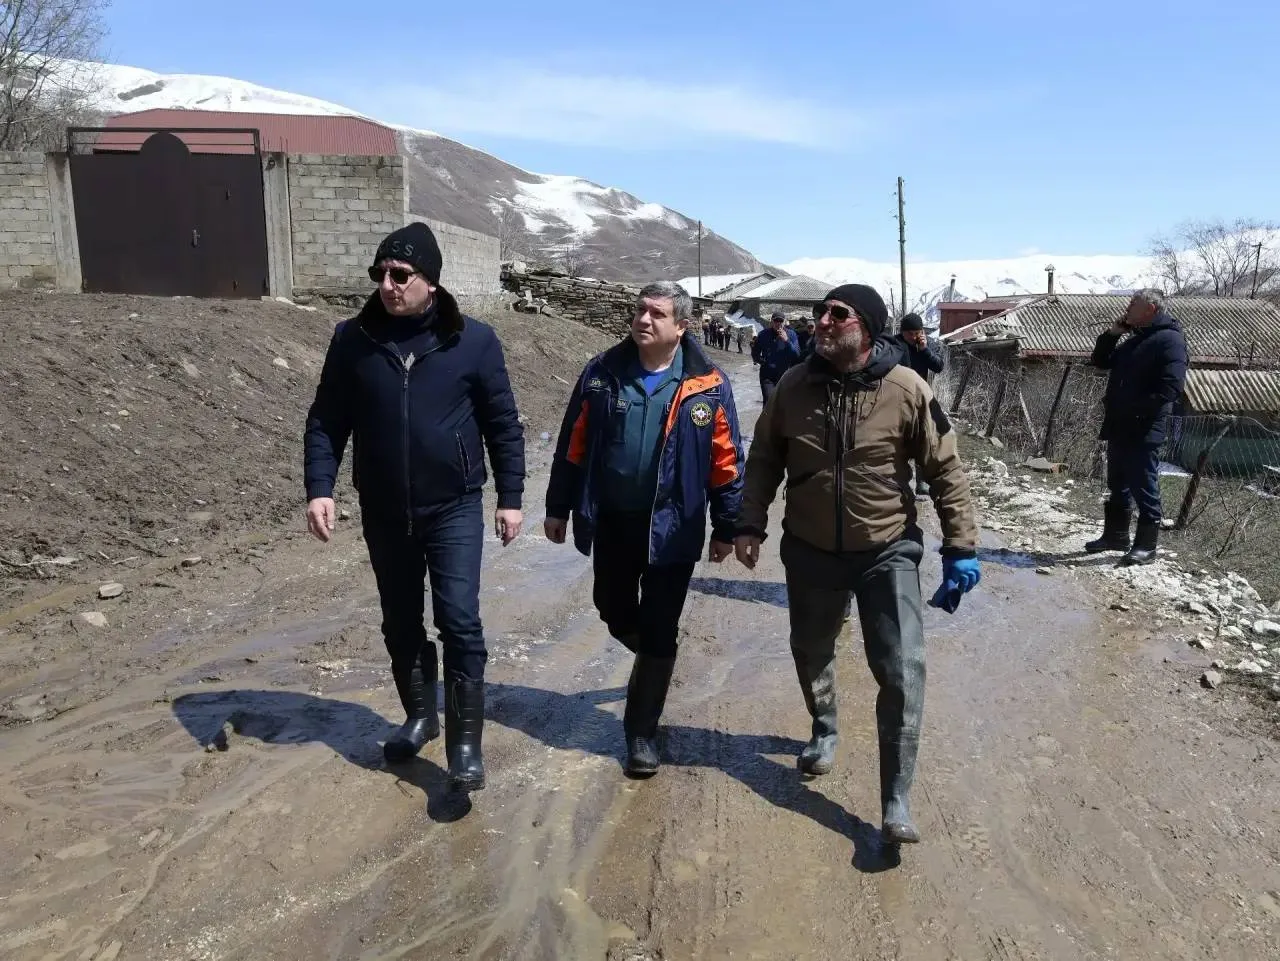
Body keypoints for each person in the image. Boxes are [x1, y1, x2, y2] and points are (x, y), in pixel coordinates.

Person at [734, 284, 981, 846]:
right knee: (810, 649)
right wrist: (749, 523)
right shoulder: (794, 386)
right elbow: (765, 457)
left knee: (903, 668)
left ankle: (896, 799)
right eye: (819, 312)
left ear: (866, 327)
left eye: (837, 314)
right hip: (810, 548)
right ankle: (824, 728)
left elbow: (946, 470)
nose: (822, 321)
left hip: (886, 550)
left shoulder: (907, 388)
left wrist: (961, 546)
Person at [303, 222, 525, 792]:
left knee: (459, 620)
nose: (388, 285)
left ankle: (465, 746)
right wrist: (320, 487)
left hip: (453, 506)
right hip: (383, 508)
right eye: (380, 274)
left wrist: (510, 498)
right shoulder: (353, 339)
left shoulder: (473, 341)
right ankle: (420, 716)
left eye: (400, 275)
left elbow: (502, 424)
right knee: (400, 619)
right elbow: (327, 419)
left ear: (430, 280)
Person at [545, 281, 745, 776]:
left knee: (659, 625)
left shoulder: (707, 384)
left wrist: (728, 525)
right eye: (640, 310)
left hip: (675, 527)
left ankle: (641, 732)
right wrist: (558, 506)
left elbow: (726, 461)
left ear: (682, 326)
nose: (643, 319)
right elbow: (573, 444)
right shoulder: (601, 373)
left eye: (656, 313)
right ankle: (658, 657)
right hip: (614, 521)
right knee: (611, 608)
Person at [1085, 288, 1188, 565]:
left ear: (1150, 309)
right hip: (1119, 424)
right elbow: (1101, 361)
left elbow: (1171, 388)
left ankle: (1146, 547)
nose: (1128, 307)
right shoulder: (1136, 339)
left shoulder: (1170, 340)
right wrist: (1113, 333)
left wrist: (1135, 409)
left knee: (1144, 485)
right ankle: (1116, 536)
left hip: (1144, 428)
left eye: (1134, 304)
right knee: (1118, 483)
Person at [894, 313, 947, 497]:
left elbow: (938, 367)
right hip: (897, 398)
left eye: (917, 333)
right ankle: (899, 480)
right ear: (902, 332)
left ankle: (922, 480)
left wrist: (924, 350)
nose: (914, 337)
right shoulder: (894, 344)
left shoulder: (928, 344)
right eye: (910, 334)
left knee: (922, 438)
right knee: (899, 439)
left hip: (921, 398)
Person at [751, 310, 801, 403]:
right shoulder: (763, 334)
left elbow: (796, 355)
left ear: (784, 322)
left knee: (783, 403)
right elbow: (755, 352)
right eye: (776, 321)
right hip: (767, 376)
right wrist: (763, 362)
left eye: (780, 321)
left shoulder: (791, 334)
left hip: (785, 375)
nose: (778, 323)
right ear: (771, 321)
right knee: (769, 401)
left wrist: (786, 341)